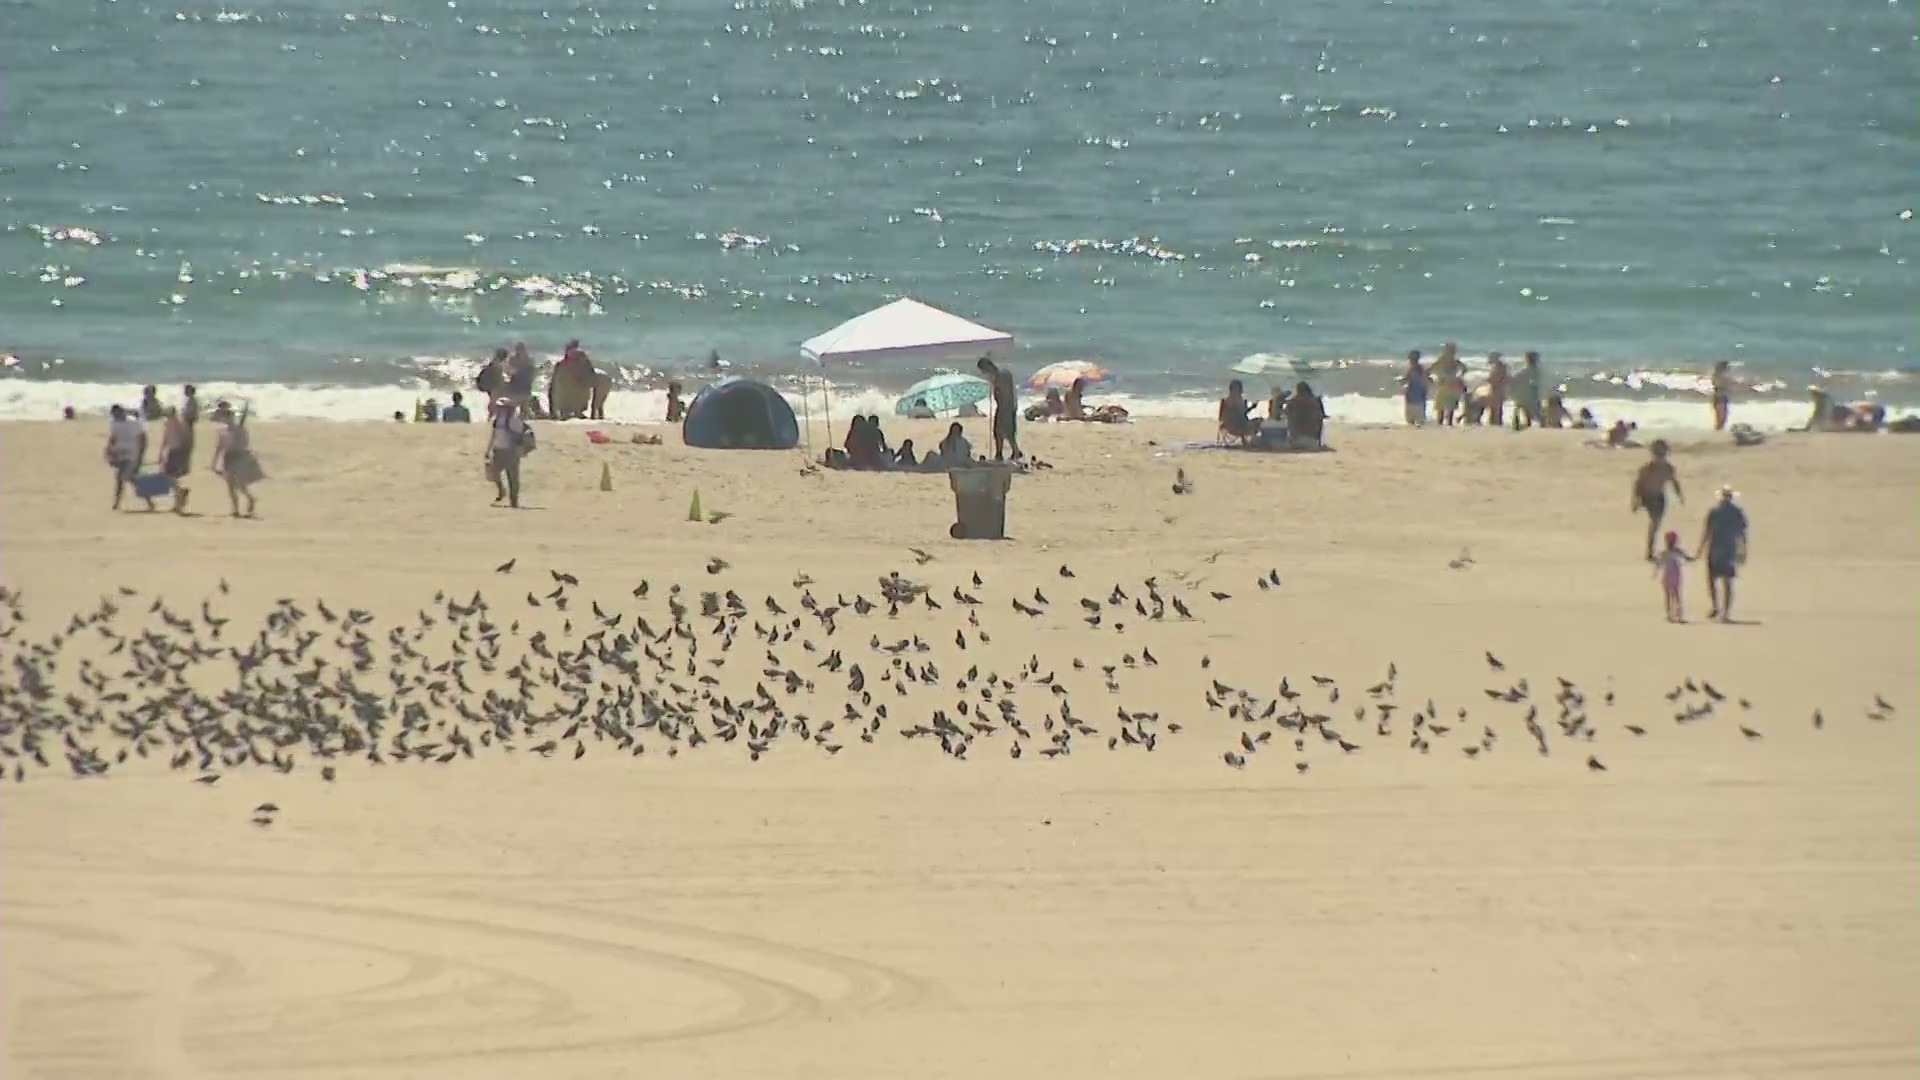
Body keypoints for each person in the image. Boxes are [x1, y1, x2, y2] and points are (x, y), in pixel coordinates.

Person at [1697, 486, 1748, 622]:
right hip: (1728, 550)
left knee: (1713, 580)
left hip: (1716, 549)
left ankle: (1716, 607)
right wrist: (1743, 550)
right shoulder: (1737, 512)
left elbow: (1707, 532)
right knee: (1726, 582)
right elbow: (1742, 534)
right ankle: (1724, 611)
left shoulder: (1715, 511)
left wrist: (1700, 549)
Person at [1631, 439, 1683, 561]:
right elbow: (1638, 485)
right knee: (1654, 523)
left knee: (1656, 524)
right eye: (1657, 453)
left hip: (1659, 498)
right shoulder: (1646, 469)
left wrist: (1679, 495)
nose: (1660, 457)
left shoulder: (1669, 468)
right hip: (1646, 497)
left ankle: (1650, 549)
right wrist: (1635, 501)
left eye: (1662, 453)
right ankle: (1649, 551)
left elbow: (1674, 482)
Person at [209, 401, 262, 518]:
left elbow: (243, 443)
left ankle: (249, 499)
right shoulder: (226, 430)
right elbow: (219, 447)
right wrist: (214, 462)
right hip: (229, 457)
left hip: (237, 456)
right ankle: (236, 509)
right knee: (231, 485)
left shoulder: (238, 429)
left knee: (238, 484)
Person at [486, 396, 532, 507]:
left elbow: (520, 435)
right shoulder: (496, 420)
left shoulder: (514, 420)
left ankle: (514, 500)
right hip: (498, 450)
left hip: (511, 451)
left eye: (502, 407)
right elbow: (493, 435)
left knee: (513, 478)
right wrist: (488, 449)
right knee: (494, 473)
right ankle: (502, 490)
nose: (499, 409)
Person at [977, 359, 1022, 461]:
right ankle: (1014, 451)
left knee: (1002, 431)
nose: (984, 373)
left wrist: (996, 386)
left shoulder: (1001, 375)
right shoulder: (998, 375)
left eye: (983, 370)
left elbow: (1006, 392)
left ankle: (1001, 453)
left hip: (1006, 406)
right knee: (1005, 431)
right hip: (1005, 405)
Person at [104, 404, 147, 510]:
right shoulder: (114, 424)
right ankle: (117, 502)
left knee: (127, 478)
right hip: (120, 454)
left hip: (132, 454)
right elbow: (113, 438)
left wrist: (141, 454)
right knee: (125, 479)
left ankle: (117, 503)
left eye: (117, 413)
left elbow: (143, 438)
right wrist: (108, 450)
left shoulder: (134, 423)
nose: (115, 416)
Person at [157, 405, 193, 513]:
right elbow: (188, 439)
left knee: (168, 476)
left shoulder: (168, 423)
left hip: (173, 452)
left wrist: (161, 454)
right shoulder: (182, 423)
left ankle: (180, 492)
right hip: (181, 451)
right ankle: (177, 504)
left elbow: (165, 439)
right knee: (173, 477)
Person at [1654, 530, 1693, 623]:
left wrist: (1655, 570)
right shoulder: (1677, 551)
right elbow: (1686, 557)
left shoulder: (1664, 552)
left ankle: (1669, 615)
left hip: (1667, 575)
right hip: (1675, 574)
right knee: (1676, 594)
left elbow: (1659, 563)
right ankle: (1679, 614)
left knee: (1668, 595)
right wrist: (1692, 559)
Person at [1428, 343, 1465, 426]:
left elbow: (1430, 369)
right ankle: (1448, 424)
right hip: (1451, 385)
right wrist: (1459, 377)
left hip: (1444, 384)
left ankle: (1441, 424)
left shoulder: (1442, 360)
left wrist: (1432, 379)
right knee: (1449, 408)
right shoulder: (1454, 361)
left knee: (1442, 408)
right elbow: (1464, 368)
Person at [1284, 381, 1325, 446]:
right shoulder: (1315, 401)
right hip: (1312, 439)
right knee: (1319, 417)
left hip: (1296, 439)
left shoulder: (1294, 402)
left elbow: (1285, 413)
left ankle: (1293, 437)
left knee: (1288, 416)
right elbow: (1321, 416)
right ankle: (1318, 442)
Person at [1511, 352, 1543, 430]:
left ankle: (1518, 424)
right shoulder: (1535, 370)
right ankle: (1541, 425)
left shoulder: (1523, 370)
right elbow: (1534, 384)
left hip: (1521, 395)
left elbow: (1514, 379)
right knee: (1535, 412)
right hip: (1529, 396)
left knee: (1521, 410)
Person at [1400, 351, 1430, 427]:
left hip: (1412, 399)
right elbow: (1426, 383)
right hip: (1419, 400)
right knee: (1419, 422)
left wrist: (1400, 382)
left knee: (1411, 422)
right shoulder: (1421, 370)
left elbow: (1405, 381)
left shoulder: (1412, 371)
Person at [1485, 353, 1509, 427]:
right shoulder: (1500, 366)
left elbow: (1496, 377)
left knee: (1496, 408)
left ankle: (1496, 423)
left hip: (1497, 389)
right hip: (1498, 389)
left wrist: (1489, 380)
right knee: (1496, 407)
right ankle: (1496, 423)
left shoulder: (1499, 367)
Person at [1710, 360, 1733, 431]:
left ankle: (1718, 432)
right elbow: (1718, 385)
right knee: (1720, 418)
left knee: (1723, 418)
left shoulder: (1721, 376)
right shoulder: (1717, 376)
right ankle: (1717, 432)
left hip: (1722, 397)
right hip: (1719, 397)